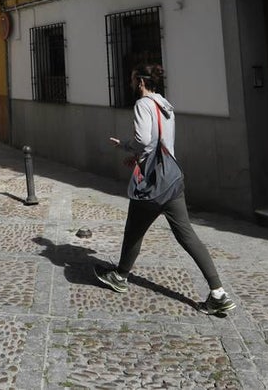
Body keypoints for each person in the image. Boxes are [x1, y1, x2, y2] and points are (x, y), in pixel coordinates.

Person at [95, 63, 236, 316]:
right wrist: (140, 158)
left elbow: (143, 140)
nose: (130, 84)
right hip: (172, 178)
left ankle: (120, 276)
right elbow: (160, 144)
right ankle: (218, 293)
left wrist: (125, 146)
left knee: (133, 231)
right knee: (187, 235)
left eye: (131, 79)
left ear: (140, 82)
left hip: (153, 184)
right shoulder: (165, 104)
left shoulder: (142, 105)